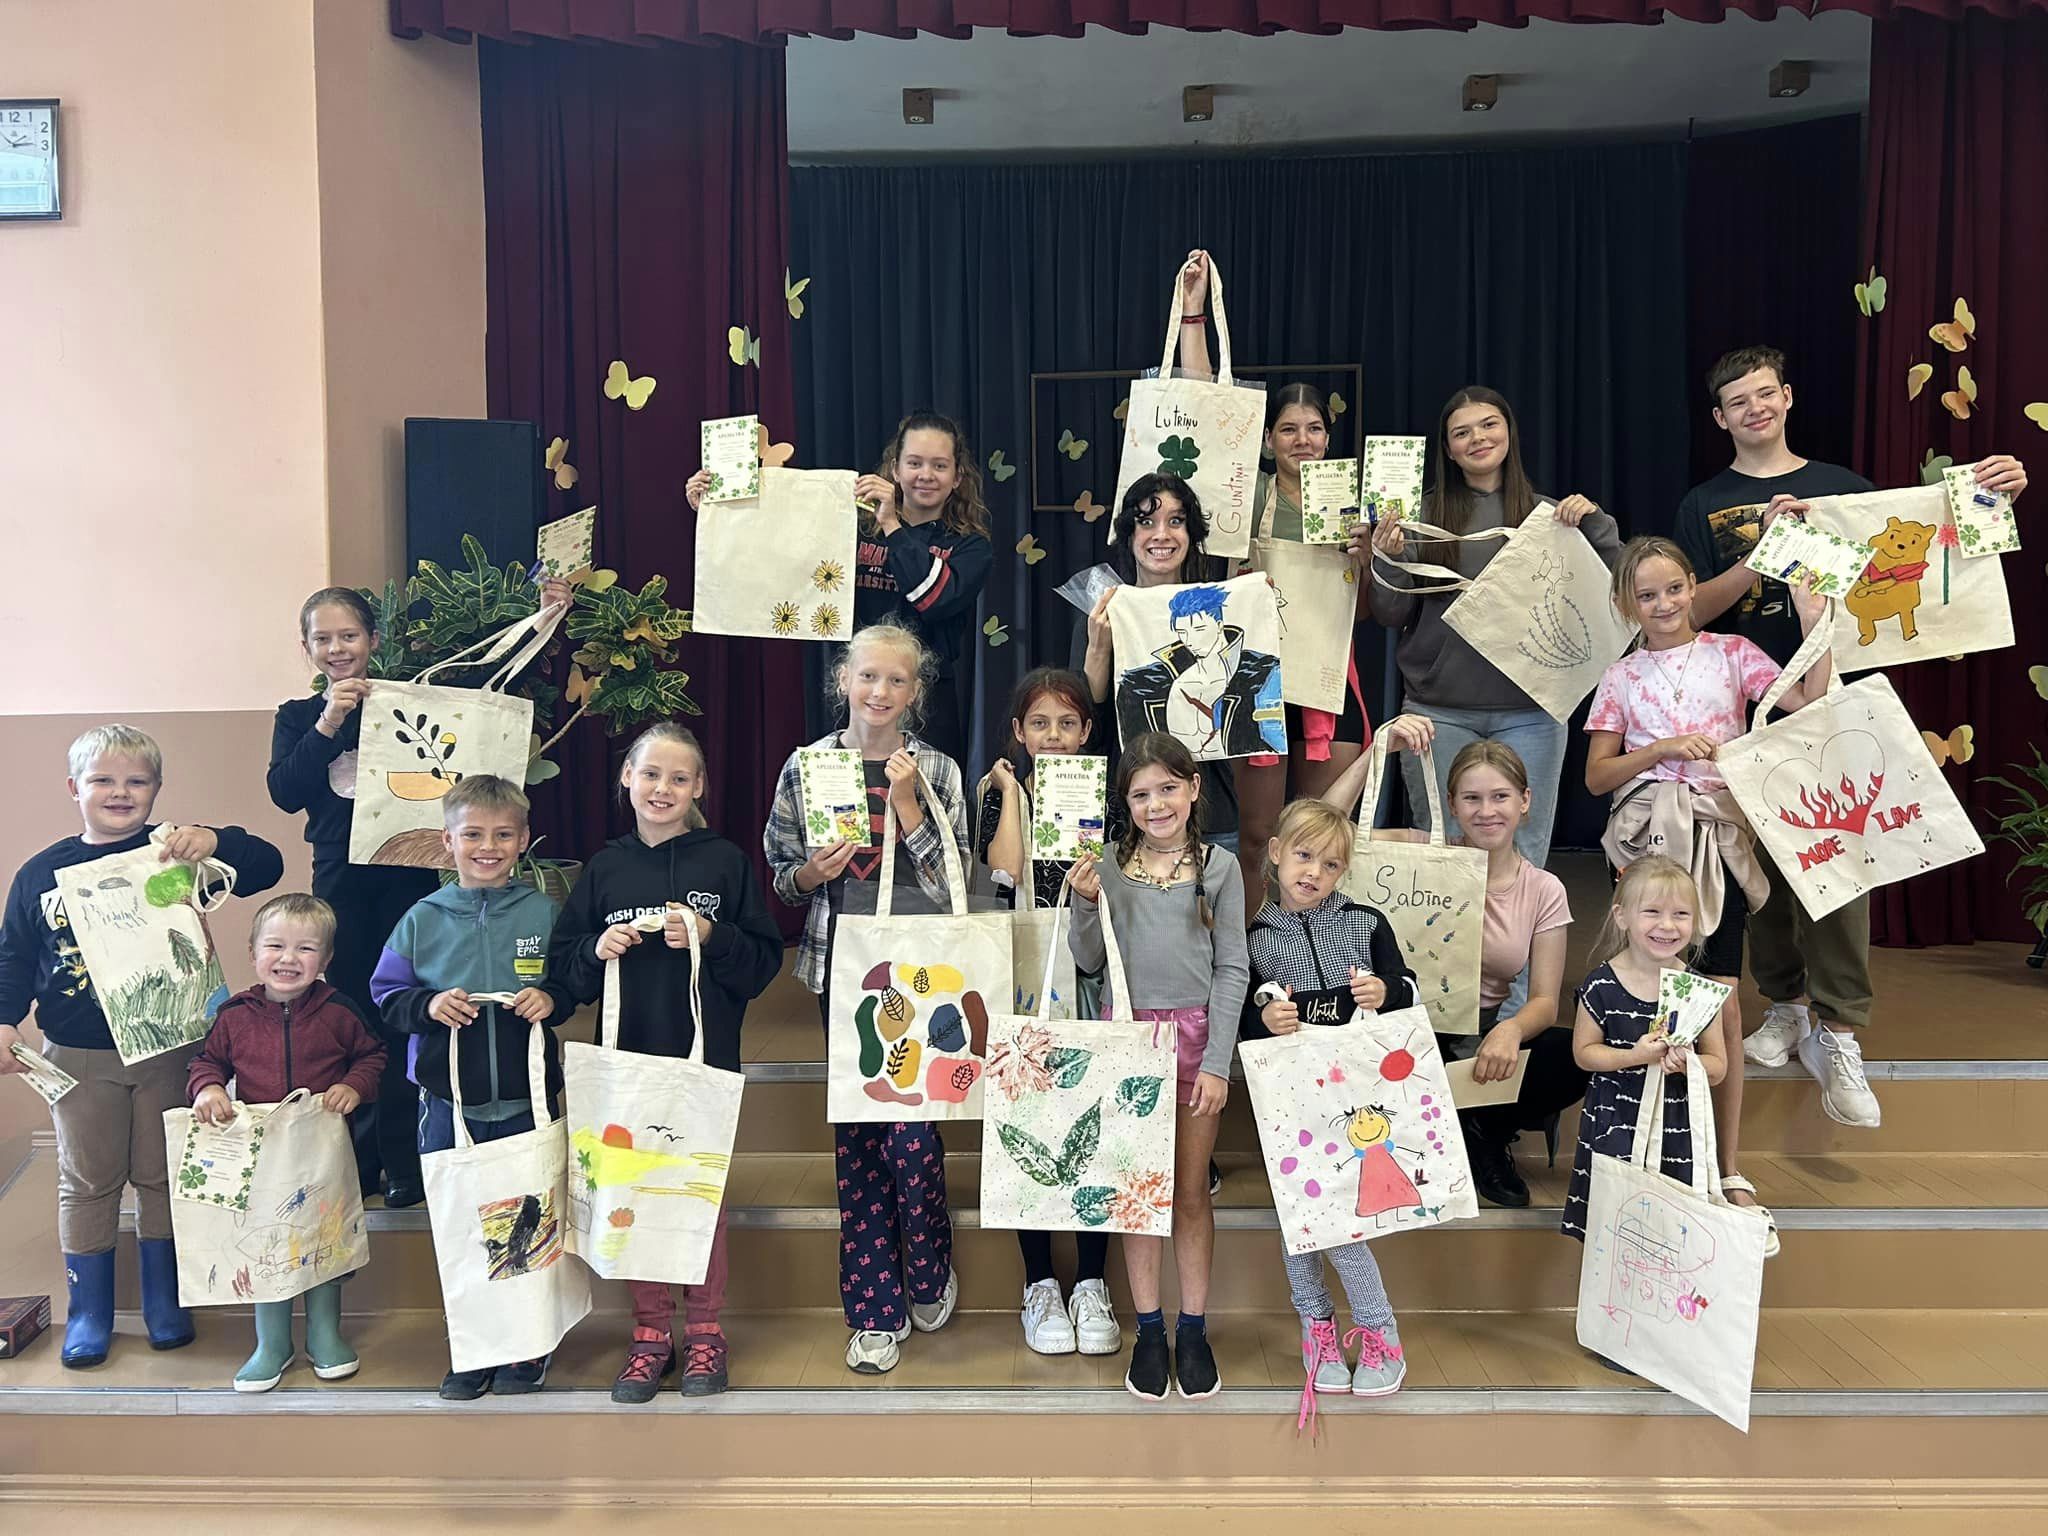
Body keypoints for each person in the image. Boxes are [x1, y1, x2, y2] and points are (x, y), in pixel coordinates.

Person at [1673, 345, 2028, 1131]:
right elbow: (1688, 610)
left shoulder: (1846, 490)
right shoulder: (1704, 502)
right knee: (1759, 871)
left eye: (1766, 393)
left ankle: (1839, 1029)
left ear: (1788, 397)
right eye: (1739, 401)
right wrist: (1763, 554)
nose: (1755, 408)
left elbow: (1928, 562)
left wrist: (1994, 495)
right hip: (1738, 705)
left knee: (1841, 861)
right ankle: (1787, 1006)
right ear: (1720, 418)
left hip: (1836, 701)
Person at [0, 724, 284, 1367]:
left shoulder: (175, 853)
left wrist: (214, 839)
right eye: (102, 780)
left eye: (136, 781)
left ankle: (165, 1301)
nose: (119, 792)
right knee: (87, 1179)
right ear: (74, 788)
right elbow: (14, 955)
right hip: (76, 1052)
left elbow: (267, 864)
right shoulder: (40, 873)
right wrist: (5, 1019)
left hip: (172, 1046)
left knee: (164, 1175)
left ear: (157, 788)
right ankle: (89, 1311)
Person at [1587, 536, 1833, 1252]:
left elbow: (1808, 701)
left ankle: (1725, 1166)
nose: (1663, 604)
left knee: (1718, 1003)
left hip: (1717, 841)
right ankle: (1651, 1157)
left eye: (1673, 589)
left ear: (1693, 586)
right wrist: (1662, 749)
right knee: (1650, 999)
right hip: (1647, 845)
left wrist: (1813, 614)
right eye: (1646, 595)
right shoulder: (1621, 676)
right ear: (1627, 605)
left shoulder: (1733, 653)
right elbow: (1597, 777)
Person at [550, 723, 782, 1403]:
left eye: (679, 778)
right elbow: (565, 970)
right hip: (625, 1064)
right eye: (651, 774)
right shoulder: (604, 869)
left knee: (698, 1197)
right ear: (627, 776)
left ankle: (706, 1329)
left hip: (704, 1063)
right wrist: (595, 949)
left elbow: (762, 962)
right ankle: (650, 1332)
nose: (663, 788)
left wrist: (712, 935)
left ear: (699, 787)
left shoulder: (725, 863)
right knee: (632, 1194)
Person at [763, 624, 967, 1375]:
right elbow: (782, 874)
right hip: (843, 975)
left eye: (897, 681)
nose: (880, 692)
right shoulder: (808, 766)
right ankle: (875, 1309)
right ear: (843, 681)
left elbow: (955, 881)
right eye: (868, 677)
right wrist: (812, 875)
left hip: (922, 975)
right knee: (858, 1139)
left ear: (916, 692)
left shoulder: (936, 769)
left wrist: (907, 804)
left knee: (912, 1134)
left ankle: (929, 1265)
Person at [368, 774, 579, 1401]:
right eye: (473, 835)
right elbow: (386, 993)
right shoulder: (421, 919)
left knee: (526, 1217)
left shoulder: (543, 913)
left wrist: (552, 998)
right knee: (463, 1224)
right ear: (447, 841)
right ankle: (473, 1346)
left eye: (503, 835)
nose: (488, 848)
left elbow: (571, 983)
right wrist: (428, 1006)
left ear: (523, 840)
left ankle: (527, 1345)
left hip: (526, 1099)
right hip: (448, 1104)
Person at [1172, 251, 1372, 906]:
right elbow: (1205, 407)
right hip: (1260, 675)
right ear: (1266, 441)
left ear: (1329, 438)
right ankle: (1258, 944)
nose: (1302, 439)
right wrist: (1194, 314)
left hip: (1328, 675)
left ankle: (1316, 940)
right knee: (1260, 834)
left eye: (1314, 428)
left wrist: (1368, 556)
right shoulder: (1246, 491)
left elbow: (1372, 610)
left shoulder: (1355, 502)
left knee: (1322, 836)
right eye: (1288, 429)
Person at [1322, 729, 1591, 1209]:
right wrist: (1377, 751)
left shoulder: (1543, 889)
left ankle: (1484, 1131)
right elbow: (1320, 827)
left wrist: (1510, 1030)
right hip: (1399, 1024)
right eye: (1472, 798)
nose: (1487, 811)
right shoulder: (1421, 852)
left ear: (1525, 801)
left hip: (1479, 1031)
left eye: (1500, 796)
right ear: (1451, 804)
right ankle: (1442, 1127)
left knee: (1571, 1055)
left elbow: (1545, 1001)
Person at [1359, 386, 1620, 875]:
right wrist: (1388, 557)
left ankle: (1518, 934)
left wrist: (1595, 524)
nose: (1477, 438)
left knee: (1524, 852)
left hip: (1533, 711)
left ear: (1509, 432)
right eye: (1462, 432)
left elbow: (1618, 587)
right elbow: (1391, 614)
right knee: (1442, 853)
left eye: (1488, 425)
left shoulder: (1550, 516)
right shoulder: (1418, 518)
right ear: (1448, 449)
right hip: (1438, 712)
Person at [1068, 732, 1249, 1403]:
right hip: (1128, 1044)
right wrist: (1083, 902)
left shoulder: (1221, 867)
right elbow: (1088, 959)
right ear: (1126, 802)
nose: (1156, 804)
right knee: (1137, 1195)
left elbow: (1233, 967)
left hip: (1197, 1043)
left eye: (1169, 788)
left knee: (1191, 1191)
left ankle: (1192, 1328)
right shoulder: (1108, 868)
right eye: (1141, 794)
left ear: (1194, 788)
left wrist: (1218, 1063)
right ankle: (1149, 1329)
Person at [1245, 797, 1416, 1418]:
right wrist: (1264, 1019)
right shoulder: (1254, 938)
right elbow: (1241, 1016)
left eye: (1331, 864)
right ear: (1276, 854)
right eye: (1303, 855)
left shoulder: (1367, 924)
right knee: (1299, 1217)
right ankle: (1319, 1328)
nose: (1314, 872)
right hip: (1288, 1103)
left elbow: (1409, 989)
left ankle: (1376, 1329)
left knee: (1335, 1222)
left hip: (1359, 1103)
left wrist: (1387, 989)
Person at [268, 587, 434, 1207]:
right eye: (323, 639)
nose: (337, 648)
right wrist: (328, 722)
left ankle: (407, 1161)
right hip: (340, 875)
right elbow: (285, 792)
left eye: (349, 636)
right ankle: (361, 1163)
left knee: (405, 1006)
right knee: (352, 1013)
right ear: (307, 647)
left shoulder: (406, 703)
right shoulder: (296, 715)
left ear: (373, 641)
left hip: (407, 868)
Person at [971, 666, 1119, 1357]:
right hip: (1025, 972)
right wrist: (1011, 793)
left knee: (1094, 1117)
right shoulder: (997, 792)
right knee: (1027, 1119)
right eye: (1039, 724)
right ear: (1018, 732)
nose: (1053, 736)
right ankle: (1039, 1282)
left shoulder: (1110, 795)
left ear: (1087, 731)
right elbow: (1001, 872)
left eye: (1066, 723)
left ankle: (1091, 1279)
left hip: (1089, 972)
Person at [187, 894, 386, 1391]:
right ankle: (271, 1343)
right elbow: (207, 1062)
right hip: (262, 1156)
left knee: (323, 1241)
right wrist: (208, 1088)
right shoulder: (234, 1015)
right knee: (266, 1243)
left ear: (326, 958)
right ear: (253, 952)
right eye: (275, 946)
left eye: (305, 948)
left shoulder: (339, 1012)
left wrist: (354, 1085)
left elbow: (373, 1056)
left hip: (325, 1153)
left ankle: (325, 1335)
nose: (288, 958)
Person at [1562, 858, 1730, 1301]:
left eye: (1681, 914)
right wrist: (1634, 1056)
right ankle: (1609, 1309)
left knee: (1672, 1225)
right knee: (1613, 1219)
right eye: (1652, 912)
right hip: (1614, 1123)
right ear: (1622, 917)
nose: (1667, 926)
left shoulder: (1697, 989)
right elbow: (1584, 1053)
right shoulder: (1601, 984)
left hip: (1676, 1128)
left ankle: (1662, 1313)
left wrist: (1689, 1063)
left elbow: (1718, 1066)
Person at [1073, 472, 1239, 851]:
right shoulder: (1102, 615)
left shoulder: (1226, 611)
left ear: (1191, 533)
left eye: (1176, 521)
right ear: (1129, 535)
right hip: (1128, 815)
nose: (1162, 534)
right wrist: (1098, 648)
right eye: (1146, 522)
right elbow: (1087, 731)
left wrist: (1255, 614)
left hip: (1210, 810)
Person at [1114, 582, 1286, 760]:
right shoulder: (1152, 682)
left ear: (1219, 625)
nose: (1190, 640)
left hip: (1235, 768)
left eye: (1199, 629)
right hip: (1174, 768)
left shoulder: (1261, 672)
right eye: (1182, 632)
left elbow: (1271, 736)